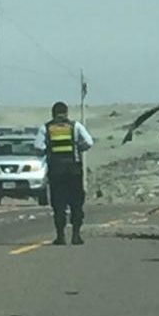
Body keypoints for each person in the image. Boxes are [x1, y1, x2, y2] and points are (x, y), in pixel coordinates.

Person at [34, 101, 94, 245]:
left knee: (58, 204)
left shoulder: (46, 128)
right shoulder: (75, 126)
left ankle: (60, 236)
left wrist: (47, 150)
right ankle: (76, 235)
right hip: (74, 170)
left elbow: (38, 147)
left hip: (56, 171)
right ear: (66, 113)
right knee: (76, 203)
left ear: (53, 113)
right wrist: (79, 147)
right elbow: (89, 142)